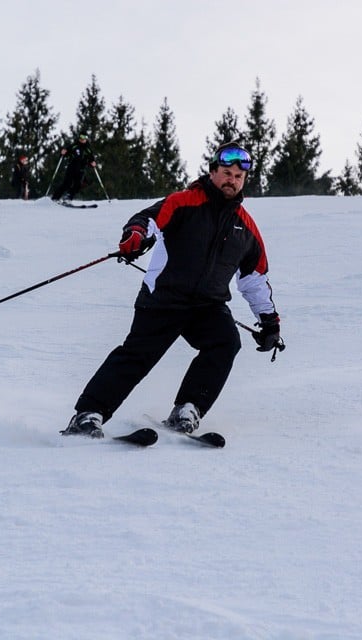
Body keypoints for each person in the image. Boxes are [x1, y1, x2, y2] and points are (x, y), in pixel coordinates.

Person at [61, 142, 283, 439]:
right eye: (226, 173)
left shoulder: (246, 227)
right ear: (213, 172)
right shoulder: (185, 202)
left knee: (226, 341)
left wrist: (269, 322)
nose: (231, 180)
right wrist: (137, 236)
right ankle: (88, 415)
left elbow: (254, 279)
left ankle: (187, 409)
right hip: (164, 298)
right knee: (137, 355)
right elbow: (148, 220)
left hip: (207, 306)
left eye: (237, 177)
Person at [51, 133, 97, 202]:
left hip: (81, 170)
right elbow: (65, 154)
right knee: (66, 183)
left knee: (78, 185)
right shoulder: (74, 146)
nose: (82, 139)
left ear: (86, 139)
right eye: (81, 137)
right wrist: (63, 153)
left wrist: (93, 163)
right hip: (72, 168)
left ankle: (69, 197)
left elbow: (91, 160)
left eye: (84, 137)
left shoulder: (88, 150)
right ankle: (55, 198)